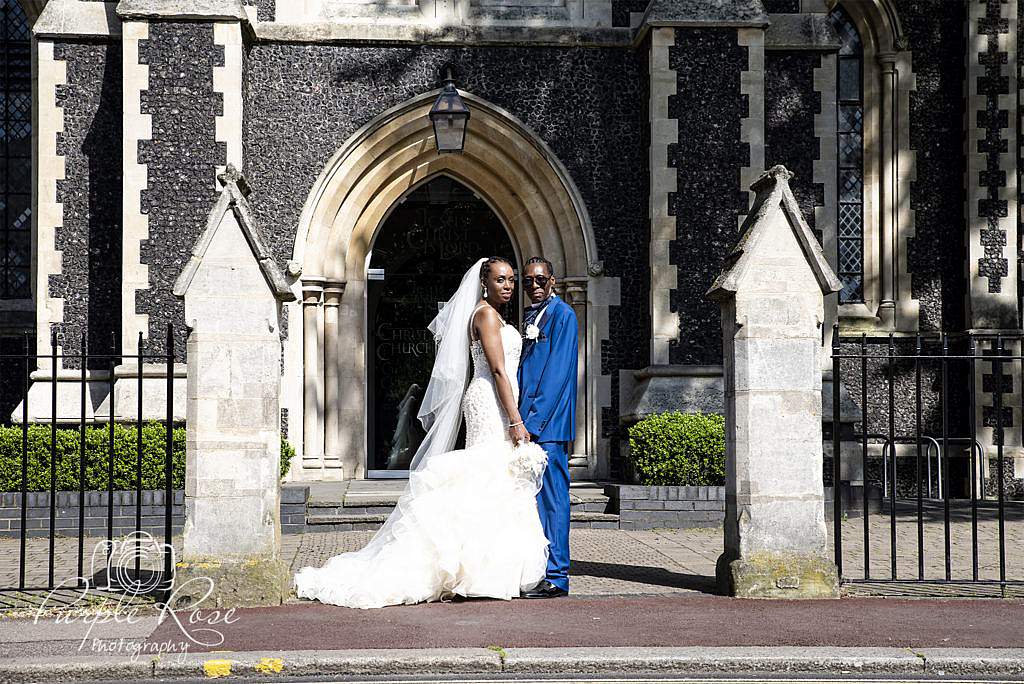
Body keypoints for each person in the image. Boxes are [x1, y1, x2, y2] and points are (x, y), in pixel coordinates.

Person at [293, 257, 550, 609]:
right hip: (491, 402)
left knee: (492, 481)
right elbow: (498, 370)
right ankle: (474, 571)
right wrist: (516, 419)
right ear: (484, 283)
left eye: (511, 280)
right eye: (501, 280)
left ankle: (486, 571)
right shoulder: (486, 315)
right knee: (489, 477)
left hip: (495, 400)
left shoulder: (494, 314)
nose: (508, 286)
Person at [517, 256, 578, 599]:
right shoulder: (533, 316)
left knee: (554, 501)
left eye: (540, 280)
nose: (534, 286)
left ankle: (557, 577)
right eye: (528, 281)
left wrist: (533, 423)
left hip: (549, 427)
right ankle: (539, 569)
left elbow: (557, 375)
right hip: (529, 424)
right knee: (535, 502)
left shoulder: (563, 316)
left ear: (553, 281)